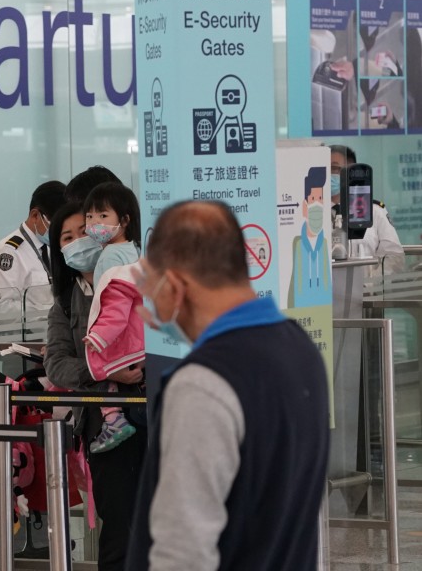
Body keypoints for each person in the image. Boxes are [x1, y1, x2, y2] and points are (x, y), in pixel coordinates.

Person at [126, 201, 329, 571]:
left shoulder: (202, 384)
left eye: (154, 290)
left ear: (174, 285)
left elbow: (182, 552)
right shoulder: (301, 350)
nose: (152, 305)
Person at [43, 200, 145, 571]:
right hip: (104, 428)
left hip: (151, 412)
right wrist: (105, 371)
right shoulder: (65, 305)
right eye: (66, 238)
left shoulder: (132, 276)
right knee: (119, 528)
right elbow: (56, 366)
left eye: (81, 232)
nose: (76, 242)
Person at [80, 183, 145, 454]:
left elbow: (113, 305)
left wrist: (98, 337)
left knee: (100, 364)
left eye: (103, 216)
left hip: (119, 335)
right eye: (90, 217)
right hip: (140, 333)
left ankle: (112, 417)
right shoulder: (136, 249)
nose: (95, 223)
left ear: (125, 219)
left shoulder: (110, 257)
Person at [0, 181, 66, 312]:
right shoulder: (9, 251)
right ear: (35, 215)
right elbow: (0, 306)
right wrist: (47, 313)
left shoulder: (53, 246)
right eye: (54, 225)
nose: (58, 232)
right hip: (30, 330)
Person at [330, 144, 405, 272]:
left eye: (334, 168)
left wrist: (372, 286)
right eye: (324, 168)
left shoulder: (375, 211)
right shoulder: (313, 213)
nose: (328, 173)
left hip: (370, 289)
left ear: (350, 171)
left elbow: (394, 256)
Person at [288, 165, 331, 309]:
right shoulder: (297, 244)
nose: (317, 204)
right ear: (305, 206)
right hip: (300, 317)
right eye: (313, 199)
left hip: (323, 316)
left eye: (320, 198)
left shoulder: (324, 244)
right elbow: (293, 288)